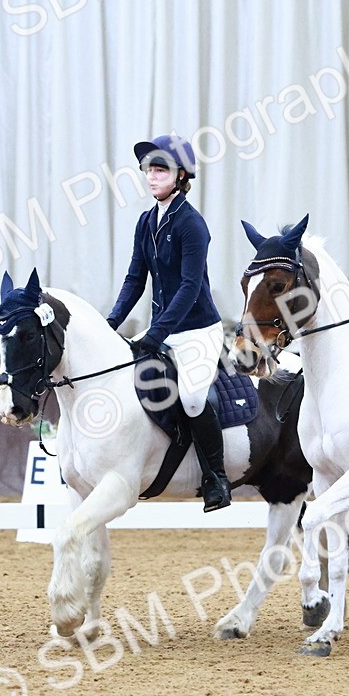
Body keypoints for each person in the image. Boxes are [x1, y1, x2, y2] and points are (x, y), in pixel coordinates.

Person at [106, 134, 231, 511]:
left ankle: (217, 478)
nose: (151, 176)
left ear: (180, 176)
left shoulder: (192, 225)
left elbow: (191, 287)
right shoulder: (146, 222)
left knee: (193, 398)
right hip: (162, 327)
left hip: (197, 329)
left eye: (160, 169)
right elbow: (134, 280)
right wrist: (109, 324)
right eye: (149, 169)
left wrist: (157, 333)